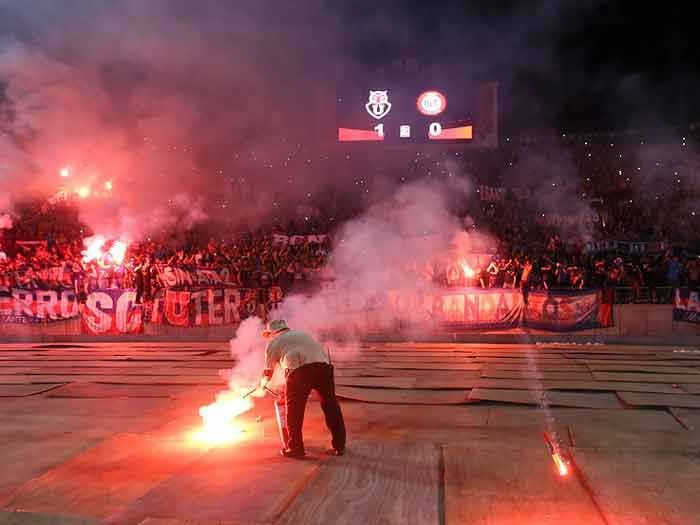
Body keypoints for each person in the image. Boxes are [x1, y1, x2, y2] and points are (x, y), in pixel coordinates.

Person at [259, 319, 346, 459]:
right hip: (325, 369)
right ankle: (340, 445)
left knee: (294, 411)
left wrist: (263, 383)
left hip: (300, 372)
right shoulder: (302, 334)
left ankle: (296, 449)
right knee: (331, 406)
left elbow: (268, 371)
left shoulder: (274, 342)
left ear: (271, 333)